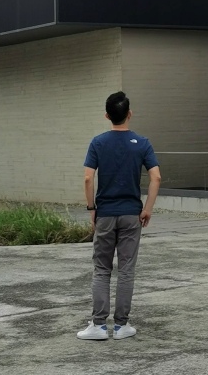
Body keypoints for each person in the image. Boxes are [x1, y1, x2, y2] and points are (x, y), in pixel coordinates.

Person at [76, 91, 161, 341]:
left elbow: (88, 177)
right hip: (131, 215)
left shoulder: (98, 143)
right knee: (126, 270)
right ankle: (122, 326)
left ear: (107, 116)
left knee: (102, 269)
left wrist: (91, 208)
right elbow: (156, 177)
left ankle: (99, 326)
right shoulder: (142, 143)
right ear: (129, 114)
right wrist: (147, 208)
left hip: (105, 214)